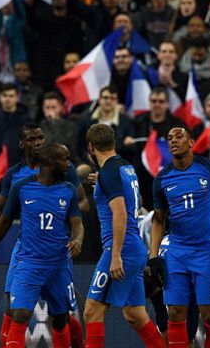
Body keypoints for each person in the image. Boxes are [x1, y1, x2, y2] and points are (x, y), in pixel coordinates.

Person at [0, 124, 87, 348]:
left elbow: (80, 211)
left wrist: (73, 235)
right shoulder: (18, 180)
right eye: (32, 139)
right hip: (28, 254)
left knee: (62, 318)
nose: (37, 143)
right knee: (16, 312)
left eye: (40, 138)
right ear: (22, 144)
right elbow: (3, 219)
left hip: (58, 255)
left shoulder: (67, 183)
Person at [148, 126, 210, 347]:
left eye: (179, 137)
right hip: (177, 253)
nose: (173, 141)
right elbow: (158, 220)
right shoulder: (162, 179)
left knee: (209, 314)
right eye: (169, 138)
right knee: (175, 313)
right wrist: (154, 258)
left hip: (206, 251)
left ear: (191, 142)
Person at [82, 124, 165, 348]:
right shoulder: (125, 167)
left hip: (121, 250)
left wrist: (116, 254)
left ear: (91, 147)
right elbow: (127, 200)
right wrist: (101, 181)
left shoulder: (109, 173)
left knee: (92, 312)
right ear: (113, 143)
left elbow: (120, 213)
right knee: (135, 314)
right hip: (136, 248)